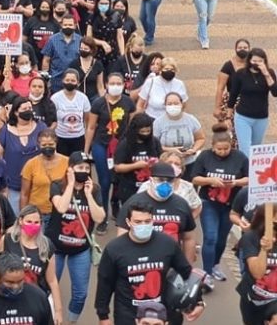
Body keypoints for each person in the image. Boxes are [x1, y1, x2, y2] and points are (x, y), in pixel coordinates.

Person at [95, 201, 204, 325]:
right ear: (128, 222)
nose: (143, 225)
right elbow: (105, 283)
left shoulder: (167, 244)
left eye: (147, 221)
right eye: (138, 222)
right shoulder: (114, 249)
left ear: (153, 221)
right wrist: (103, 316)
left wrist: (198, 301)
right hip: (128, 314)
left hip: (161, 314)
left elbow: (186, 273)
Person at [48, 152, 106, 323]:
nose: (84, 171)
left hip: (80, 249)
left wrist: (89, 196)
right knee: (48, 288)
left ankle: (71, 321)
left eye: (87, 168)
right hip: (55, 248)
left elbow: (99, 217)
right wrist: (71, 185)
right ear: (70, 169)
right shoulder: (57, 185)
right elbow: (61, 207)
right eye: (80, 167)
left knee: (80, 293)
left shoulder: (94, 189)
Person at [191, 124, 248, 284]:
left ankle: (215, 264)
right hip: (209, 201)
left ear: (232, 146)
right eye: (219, 149)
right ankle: (206, 272)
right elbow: (195, 178)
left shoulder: (240, 157)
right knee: (210, 237)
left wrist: (235, 182)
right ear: (213, 146)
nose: (223, 152)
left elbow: (250, 178)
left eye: (226, 149)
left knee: (222, 238)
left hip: (231, 203)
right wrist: (210, 180)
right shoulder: (205, 157)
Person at [116, 163, 199, 265]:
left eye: (169, 180)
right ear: (151, 180)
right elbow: (121, 239)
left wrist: (188, 269)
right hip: (141, 263)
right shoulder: (133, 203)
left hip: (172, 263)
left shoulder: (182, 204)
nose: (165, 183)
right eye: (160, 179)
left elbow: (188, 239)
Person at [84, 72, 134, 229]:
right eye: (112, 83)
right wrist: (86, 149)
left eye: (119, 83)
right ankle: (103, 216)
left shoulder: (128, 102)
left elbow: (132, 125)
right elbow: (91, 127)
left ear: (124, 85)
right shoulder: (98, 103)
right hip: (101, 144)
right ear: (106, 84)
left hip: (122, 146)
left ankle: (115, 202)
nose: (115, 86)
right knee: (104, 181)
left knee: (119, 179)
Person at [0, 205, 64, 321]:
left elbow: (52, 280)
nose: (32, 225)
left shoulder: (47, 246)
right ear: (20, 221)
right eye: (29, 221)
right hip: (11, 297)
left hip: (36, 300)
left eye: (36, 222)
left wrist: (58, 311)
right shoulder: (8, 240)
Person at [227, 47, 277, 152]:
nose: (257, 63)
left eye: (260, 61)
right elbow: (233, 95)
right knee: (245, 149)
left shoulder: (270, 73)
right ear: (249, 60)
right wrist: (228, 115)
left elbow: (275, 92)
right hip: (243, 116)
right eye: (254, 61)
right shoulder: (241, 74)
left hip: (261, 117)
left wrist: (266, 74)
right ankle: (246, 168)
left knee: (256, 148)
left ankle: (252, 168)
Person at [113, 113, 164, 206]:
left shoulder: (155, 142)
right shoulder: (125, 144)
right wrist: (136, 165)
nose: (145, 134)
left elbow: (162, 159)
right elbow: (118, 167)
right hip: (129, 186)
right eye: (142, 132)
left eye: (148, 131)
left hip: (150, 185)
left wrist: (155, 163)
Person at [237, 207, 277, 324]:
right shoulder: (251, 237)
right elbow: (257, 273)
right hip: (253, 299)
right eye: (275, 224)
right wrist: (264, 250)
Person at [152, 92, 205, 179]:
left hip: (189, 163)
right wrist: (170, 150)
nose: (173, 106)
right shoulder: (158, 122)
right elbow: (154, 144)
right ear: (165, 105)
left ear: (182, 104)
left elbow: (200, 138)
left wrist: (193, 150)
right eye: (169, 104)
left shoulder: (191, 119)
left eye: (176, 103)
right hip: (167, 164)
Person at [20, 130, 69, 217]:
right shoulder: (31, 164)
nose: (47, 147)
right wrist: (23, 215)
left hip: (60, 211)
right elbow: (24, 194)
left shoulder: (67, 162)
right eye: (44, 145)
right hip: (37, 213)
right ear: (39, 145)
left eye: (51, 145)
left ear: (56, 144)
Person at [50, 69, 92, 157]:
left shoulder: (83, 98)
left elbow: (87, 120)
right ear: (62, 81)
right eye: (67, 80)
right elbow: (53, 120)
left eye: (73, 80)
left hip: (79, 138)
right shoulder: (55, 98)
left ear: (77, 82)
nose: (70, 82)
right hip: (60, 138)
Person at [41, 14, 82, 93]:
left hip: (74, 80)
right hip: (56, 80)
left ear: (75, 26)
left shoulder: (80, 40)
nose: (68, 27)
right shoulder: (52, 39)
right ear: (61, 25)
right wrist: (45, 77)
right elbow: (46, 59)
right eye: (65, 25)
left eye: (70, 25)